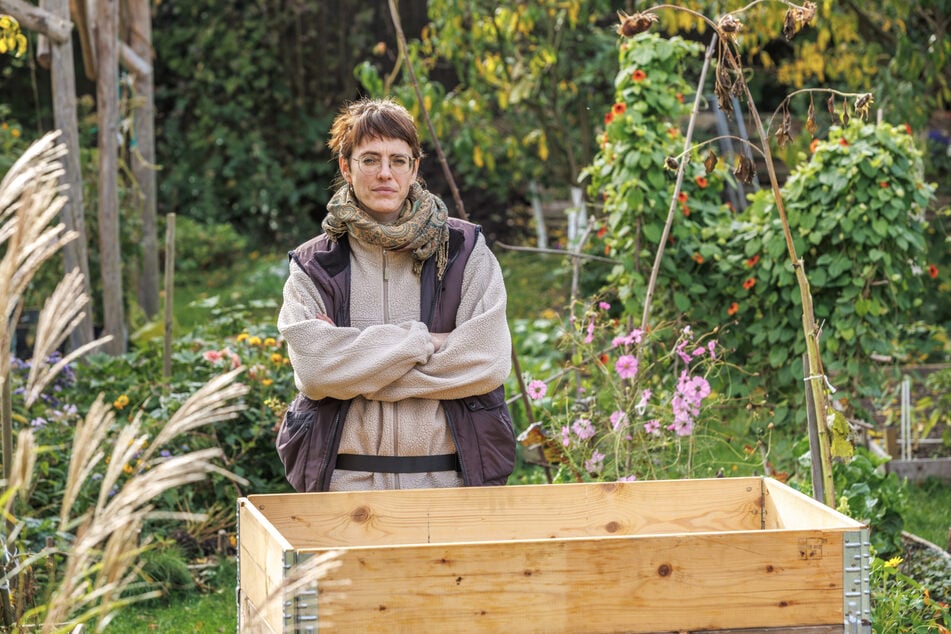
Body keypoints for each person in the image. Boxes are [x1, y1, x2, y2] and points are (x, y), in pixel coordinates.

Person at [276, 97, 515, 492]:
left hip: (449, 481)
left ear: (414, 168)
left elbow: (487, 360)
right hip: (345, 483)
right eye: (369, 159)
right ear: (346, 167)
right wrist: (426, 341)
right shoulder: (314, 264)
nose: (385, 173)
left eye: (398, 160)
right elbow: (316, 372)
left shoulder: (464, 249)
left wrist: (356, 369)